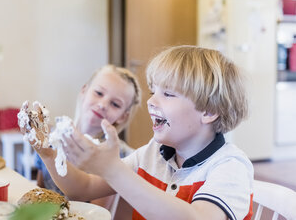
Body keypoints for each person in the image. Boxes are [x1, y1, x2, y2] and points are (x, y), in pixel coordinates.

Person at [32, 45, 254, 220]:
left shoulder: (230, 166)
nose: (151, 101)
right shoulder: (151, 153)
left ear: (209, 111)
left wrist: (113, 169)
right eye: (152, 91)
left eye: (167, 93)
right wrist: (47, 153)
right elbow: (83, 188)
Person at [34, 65, 141, 197]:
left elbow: (99, 212)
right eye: (99, 93)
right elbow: (39, 191)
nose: (102, 104)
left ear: (123, 116)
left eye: (115, 104)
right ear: (84, 90)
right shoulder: (50, 136)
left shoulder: (121, 157)